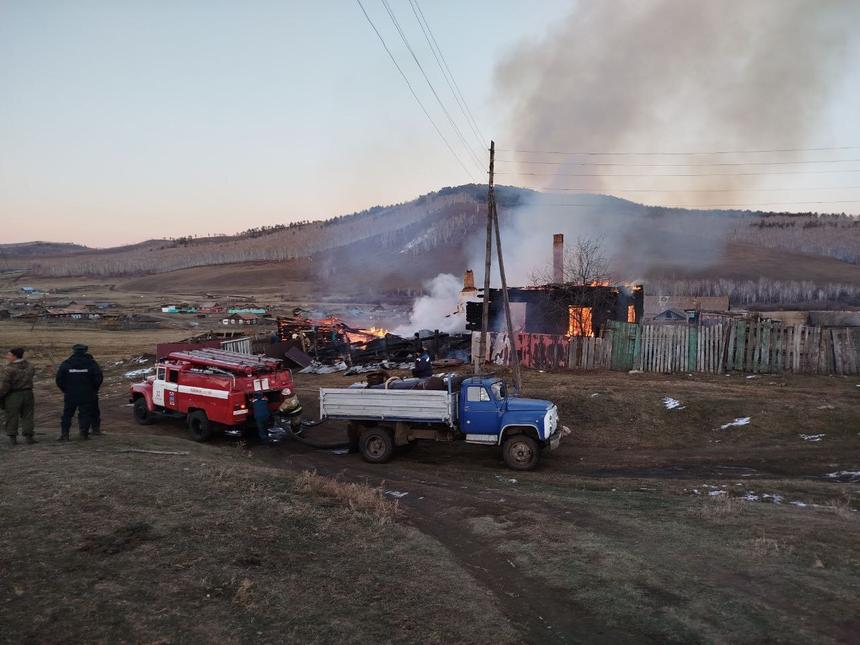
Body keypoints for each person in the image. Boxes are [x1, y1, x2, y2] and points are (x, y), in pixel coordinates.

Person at [55, 344, 103, 441]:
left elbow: (59, 379)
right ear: (85, 351)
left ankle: (65, 434)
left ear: (74, 351)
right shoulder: (91, 363)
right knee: (85, 414)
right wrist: (93, 389)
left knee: (67, 414)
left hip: (71, 393)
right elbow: (98, 378)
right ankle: (84, 433)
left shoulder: (67, 363)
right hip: (87, 393)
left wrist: (66, 389)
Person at [0, 347, 36, 446]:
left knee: (12, 416)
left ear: (15, 356)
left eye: (9, 355)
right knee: (28, 416)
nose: (7, 356)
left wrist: (1, 395)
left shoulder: (8, 369)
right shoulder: (30, 366)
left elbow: (5, 385)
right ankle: (29, 437)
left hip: (13, 394)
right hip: (28, 393)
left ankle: (13, 439)